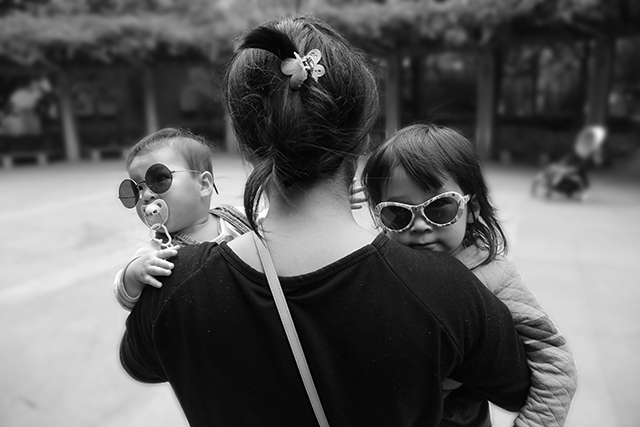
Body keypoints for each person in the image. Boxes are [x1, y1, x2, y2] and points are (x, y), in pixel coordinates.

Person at [119, 16, 530, 426]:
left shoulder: (173, 287)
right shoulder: (446, 290)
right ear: (363, 137)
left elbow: (141, 363)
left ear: (246, 142)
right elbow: (517, 387)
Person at [360, 123, 578, 427]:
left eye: (440, 207)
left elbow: (555, 361)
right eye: (397, 213)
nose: (419, 225)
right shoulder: (382, 266)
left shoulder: (493, 276)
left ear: (472, 207)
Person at [113, 127, 250, 310]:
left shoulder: (240, 218)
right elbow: (125, 296)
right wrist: (134, 274)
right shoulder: (157, 253)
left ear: (203, 184)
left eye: (160, 179)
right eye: (137, 188)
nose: (145, 195)